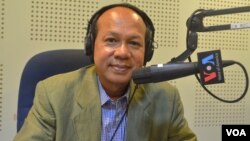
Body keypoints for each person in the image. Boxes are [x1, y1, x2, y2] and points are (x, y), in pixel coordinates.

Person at [14, 3, 197, 141]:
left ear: (147, 52)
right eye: (111, 40)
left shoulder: (166, 97)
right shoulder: (53, 94)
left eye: (134, 43)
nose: (122, 53)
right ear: (91, 46)